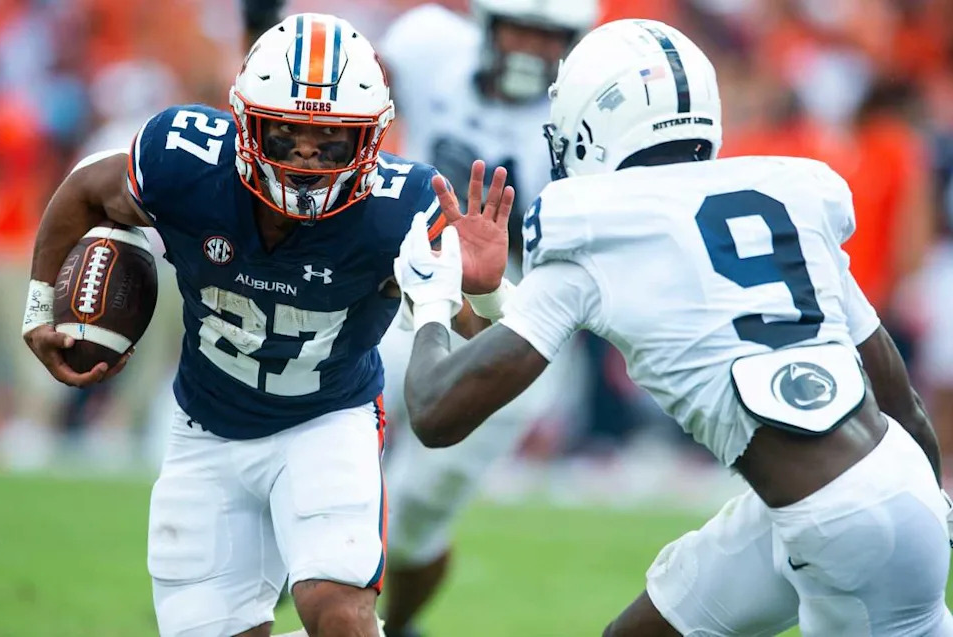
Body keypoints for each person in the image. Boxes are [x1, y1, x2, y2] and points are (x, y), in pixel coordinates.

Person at [394, 19, 953, 636]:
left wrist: (431, 298)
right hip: (883, 486)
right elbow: (901, 401)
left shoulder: (595, 231)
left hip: (841, 527)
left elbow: (436, 411)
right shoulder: (784, 200)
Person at [21, 13, 471, 637]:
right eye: (286, 135)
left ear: (370, 140)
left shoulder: (404, 206)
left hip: (327, 421)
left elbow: (468, 316)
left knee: (339, 613)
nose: (307, 158)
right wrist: (41, 309)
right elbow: (84, 189)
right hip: (205, 429)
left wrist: (486, 283)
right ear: (244, 120)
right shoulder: (185, 163)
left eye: (332, 141)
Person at [373, 3, 596, 634]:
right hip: (401, 292)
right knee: (322, 451)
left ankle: (400, 624)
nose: (529, 48)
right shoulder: (427, 45)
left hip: (516, 323)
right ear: (488, 26)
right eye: (520, 29)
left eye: (547, 36)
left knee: (416, 516)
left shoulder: (592, 110)